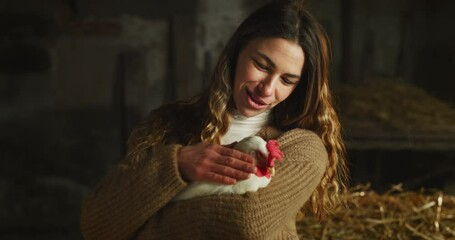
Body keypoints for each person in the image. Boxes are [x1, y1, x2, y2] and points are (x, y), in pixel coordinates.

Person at [80, 0, 349, 239]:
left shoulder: (301, 148)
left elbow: (247, 223)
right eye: (262, 66)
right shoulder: (167, 125)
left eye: (287, 80)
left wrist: (141, 229)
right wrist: (178, 164)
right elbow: (96, 226)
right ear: (236, 53)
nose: (267, 89)